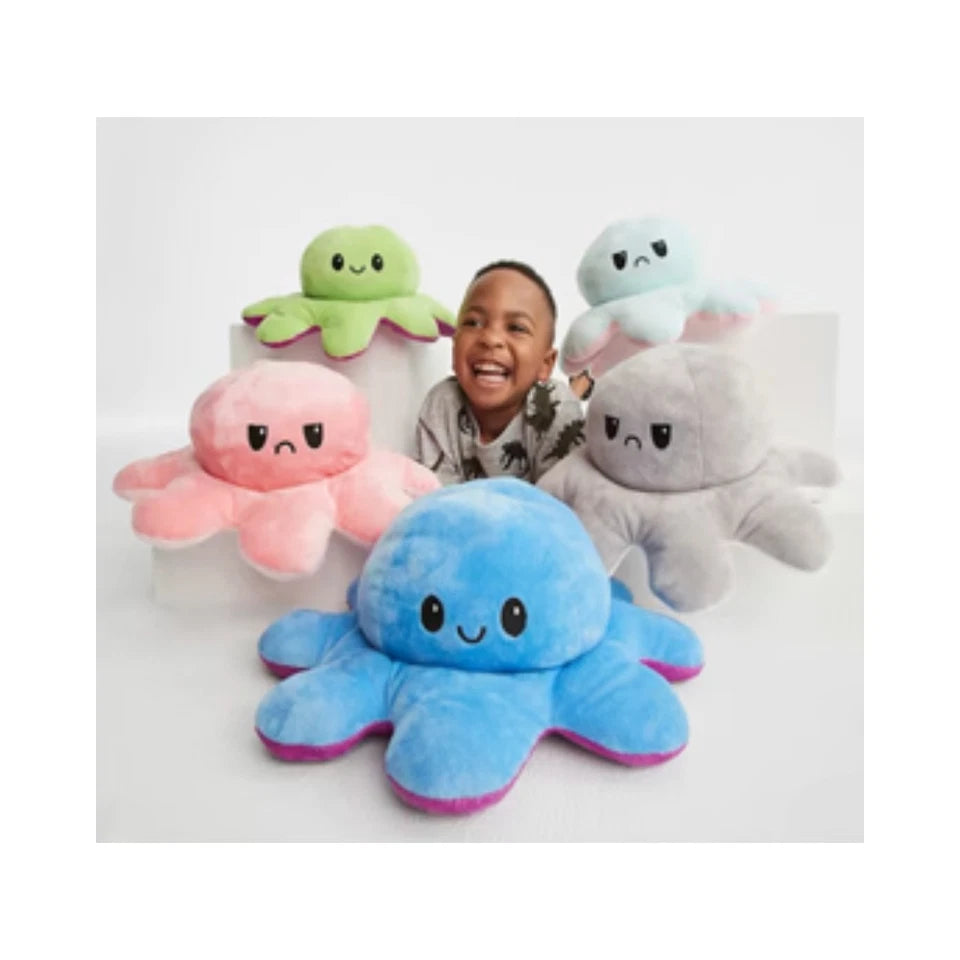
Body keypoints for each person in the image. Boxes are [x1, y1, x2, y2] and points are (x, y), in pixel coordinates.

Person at [416, 260, 586, 484]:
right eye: (473, 322)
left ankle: (582, 384)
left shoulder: (554, 409)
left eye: (516, 327)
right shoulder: (442, 405)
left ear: (545, 364)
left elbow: (562, 498)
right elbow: (436, 496)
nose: (490, 338)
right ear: (454, 345)